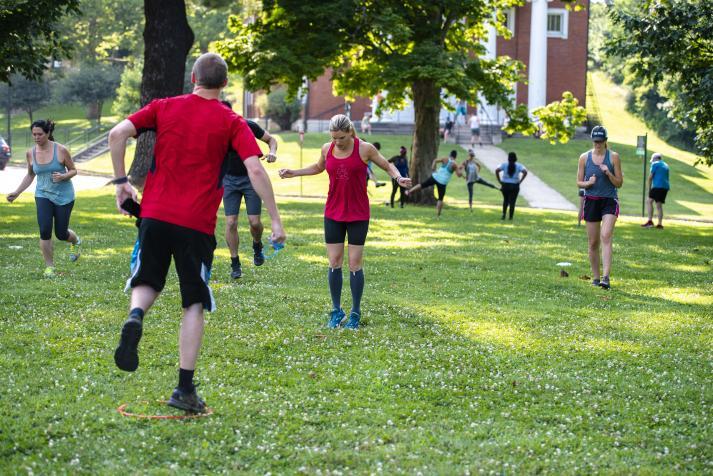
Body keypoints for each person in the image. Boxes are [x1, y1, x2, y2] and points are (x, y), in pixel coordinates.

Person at [108, 53, 286, 413]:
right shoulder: (233, 121)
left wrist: (121, 182)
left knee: (147, 279)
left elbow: (117, 133)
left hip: (155, 217)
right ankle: (184, 389)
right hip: (196, 224)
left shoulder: (164, 106)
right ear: (224, 84)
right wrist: (275, 220)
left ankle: (136, 315)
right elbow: (255, 170)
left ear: (193, 78)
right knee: (193, 302)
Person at [278, 114, 411, 329]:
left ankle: (355, 313)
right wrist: (294, 172)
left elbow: (387, 165)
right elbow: (318, 167)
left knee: (355, 263)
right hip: (333, 212)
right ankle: (336, 311)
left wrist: (398, 178)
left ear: (350, 132)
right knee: (334, 262)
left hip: (358, 213)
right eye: (333, 138)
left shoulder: (364, 148)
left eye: (340, 138)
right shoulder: (326, 148)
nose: (337, 142)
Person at [6, 119, 81, 277]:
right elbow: (30, 174)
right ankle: (49, 267)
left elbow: (74, 170)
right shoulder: (30, 153)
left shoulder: (61, 150)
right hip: (42, 195)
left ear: (48, 133)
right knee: (45, 230)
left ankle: (75, 240)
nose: (36, 137)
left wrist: (63, 176)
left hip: (64, 196)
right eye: (34, 134)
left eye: (40, 134)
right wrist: (17, 192)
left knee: (61, 233)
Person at [220, 100, 278, 279]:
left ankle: (257, 244)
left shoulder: (247, 125)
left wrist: (273, 152)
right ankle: (235, 263)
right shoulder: (213, 130)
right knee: (231, 222)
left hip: (250, 179)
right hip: (229, 180)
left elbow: (271, 139)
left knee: (254, 222)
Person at [576, 126, 623, 290]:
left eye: (600, 141)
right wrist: (588, 183)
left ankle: (606, 277)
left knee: (606, 235)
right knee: (593, 242)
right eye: (595, 141)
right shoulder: (584, 158)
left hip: (609, 200)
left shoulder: (614, 157)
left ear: (605, 141)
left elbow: (619, 183)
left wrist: (608, 173)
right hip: (591, 201)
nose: (598, 144)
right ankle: (596, 277)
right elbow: (579, 182)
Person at [406, 150, 462, 218]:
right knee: (440, 199)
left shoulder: (445, 159)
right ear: (455, 157)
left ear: (450, 155)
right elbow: (459, 175)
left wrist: (433, 168)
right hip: (442, 182)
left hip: (435, 177)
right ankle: (437, 216)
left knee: (422, 185)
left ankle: (409, 191)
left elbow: (435, 160)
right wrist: (460, 169)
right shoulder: (454, 164)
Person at [495, 152, 528, 220]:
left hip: (505, 185)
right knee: (513, 201)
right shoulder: (519, 165)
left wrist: (499, 180)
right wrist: (520, 181)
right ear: (516, 158)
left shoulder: (504, 165)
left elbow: (497, 170)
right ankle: (510, 217)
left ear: (508, 158)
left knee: (505, 200)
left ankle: (503, 214)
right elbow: (525, 172)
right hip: (515, 185)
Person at [642, 152, 670, 229]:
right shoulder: (666, 165)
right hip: (665, 187)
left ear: (656, 158)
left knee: (649, 201)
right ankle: (660, 224)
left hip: (657, 186)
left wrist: (649, 189)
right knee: (659, 205)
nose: (652, 161)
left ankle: (650, 221)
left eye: (653, 160)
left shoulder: (655, 164)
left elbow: (650, 177)